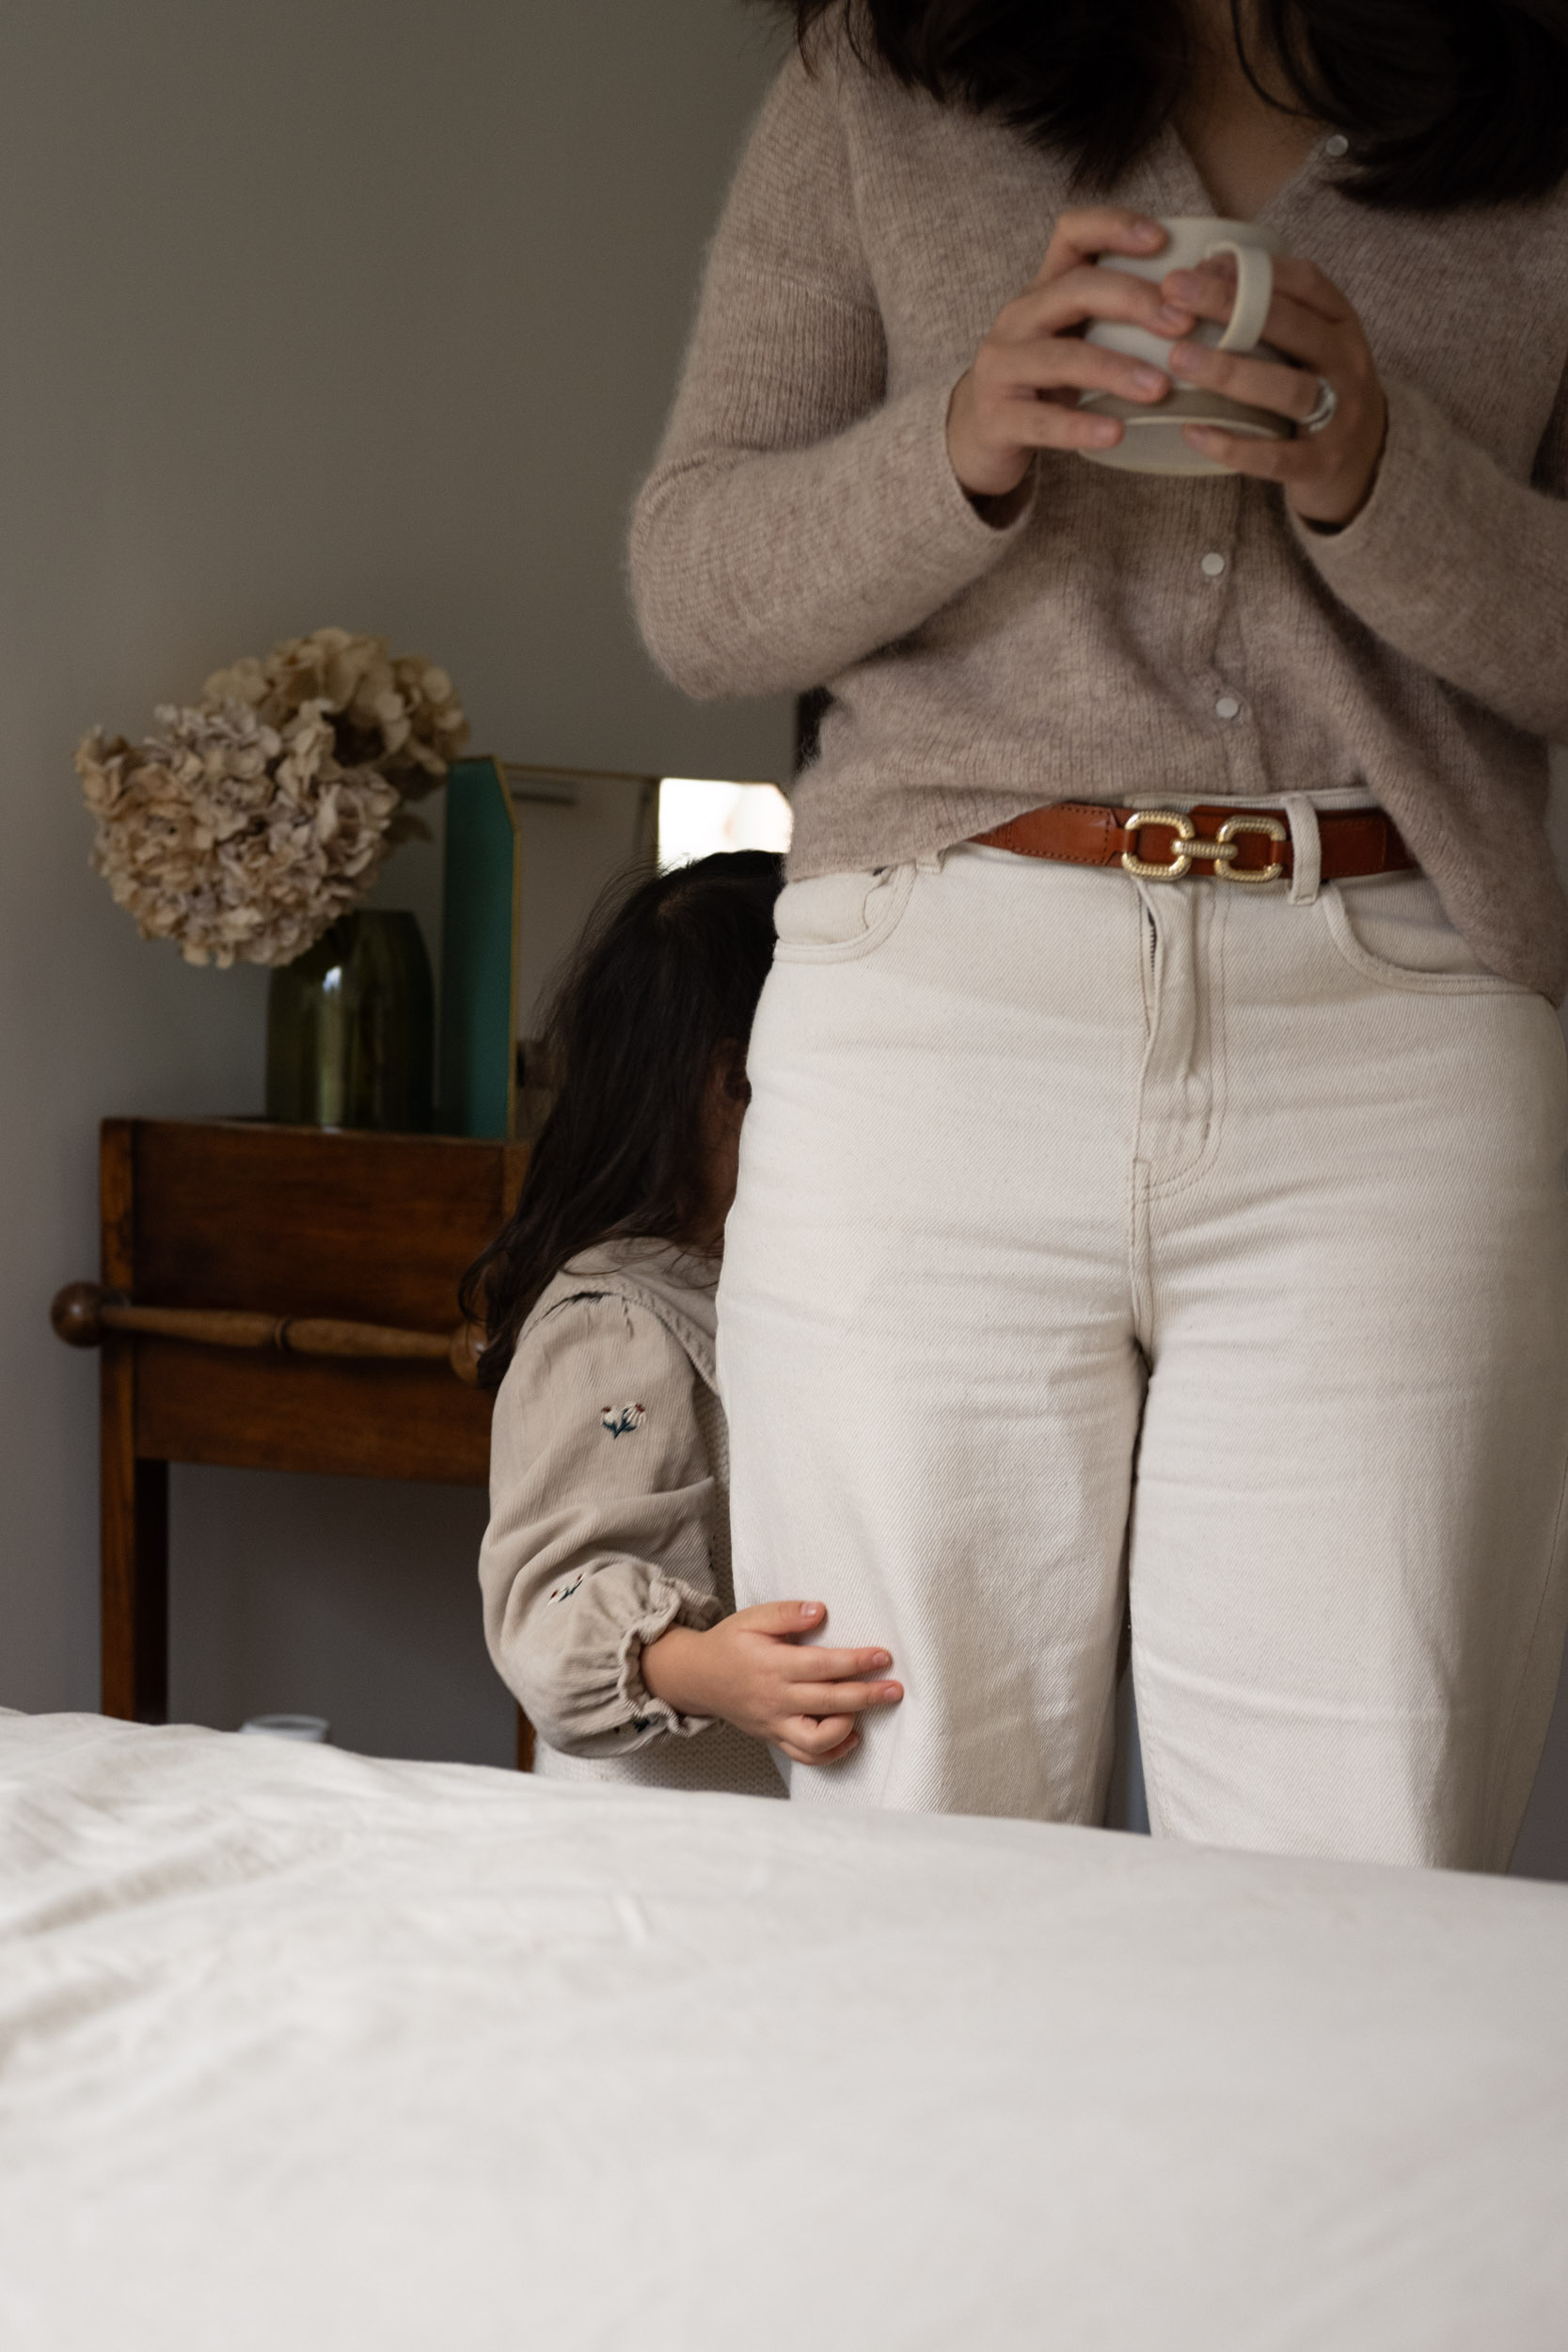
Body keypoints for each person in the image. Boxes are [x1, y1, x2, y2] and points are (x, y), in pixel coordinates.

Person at [627, 0, 1568, 1865]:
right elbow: (694, 588)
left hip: (1392, 1040)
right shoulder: (878, 85)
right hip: (934, 1023)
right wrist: (957, 442)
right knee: (903, 1851)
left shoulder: (1532, 108)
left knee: (1359, 1878)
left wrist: (1373, 472)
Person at [465, 851, 903, 1793]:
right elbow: (550, 1608)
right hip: (655, 1849)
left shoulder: (775, 1273)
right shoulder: (616, 1323)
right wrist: (710, 1672)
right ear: (733, 1085)